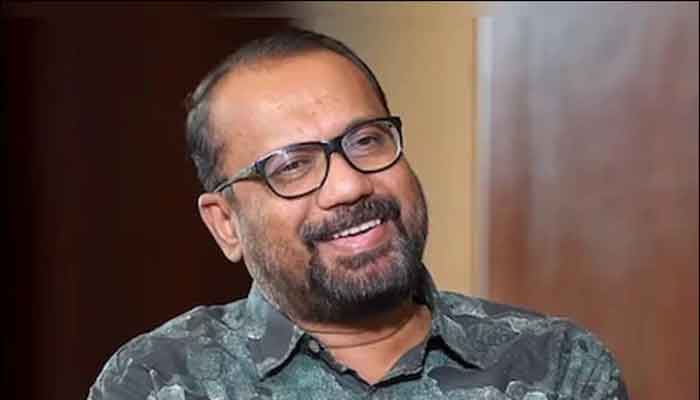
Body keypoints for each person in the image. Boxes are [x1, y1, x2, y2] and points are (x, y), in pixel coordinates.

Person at [88, 28, 628, 399]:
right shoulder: (160, 379)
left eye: (366, 141)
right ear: (225, 224)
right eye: (292, 166)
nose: (349, 185)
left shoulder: (556, 366)